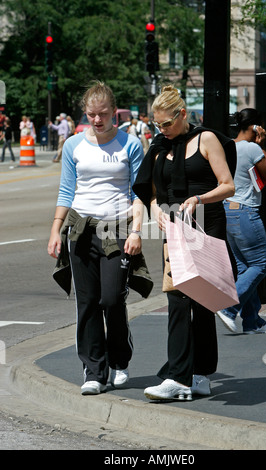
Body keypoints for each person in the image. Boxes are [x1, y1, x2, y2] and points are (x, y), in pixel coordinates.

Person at [133, 85, 236, 401]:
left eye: (166, 123)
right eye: (156, 124)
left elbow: (228, 186)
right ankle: (181, 376)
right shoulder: (160, 145)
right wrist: (155, 211)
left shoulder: (205, 139)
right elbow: (149, 191)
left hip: (206, 224)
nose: (161, 129)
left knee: (202, 302)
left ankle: (198, 373)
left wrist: (198, 198)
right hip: (174, 228)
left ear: (182, 114)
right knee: (178, 298)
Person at [47, 81, 145, 396]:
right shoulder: (75, 145)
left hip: (116, 227)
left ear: (112, 112)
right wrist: (55, 230)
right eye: (91, 114)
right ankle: (93, 371)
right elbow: (66, 190)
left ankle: (119, 360)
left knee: (112, 298)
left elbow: (139, 193)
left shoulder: (130, 144)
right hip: (81, 227)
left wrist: (136, 231)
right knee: (87, 303)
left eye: (102, 114)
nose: (97, 120)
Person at [216, 108, 266, 334]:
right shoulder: (252, 148)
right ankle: (229, 308)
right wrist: (261, 145)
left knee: (245, 269)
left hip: (227, 211)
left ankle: (253, 322)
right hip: (245, 211)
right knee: (261, 264)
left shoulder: (226, 147)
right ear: (255, 127)